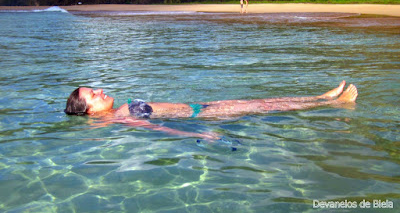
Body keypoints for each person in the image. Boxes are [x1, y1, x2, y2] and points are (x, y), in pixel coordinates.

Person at [65, 81, 358, 139]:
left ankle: (321, 97)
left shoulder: (122, 110)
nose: (100, 91)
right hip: (201, 115)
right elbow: (157, 129)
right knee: (265, 106)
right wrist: (202, 133)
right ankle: (334, 103)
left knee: (266, 100)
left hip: (202, 107)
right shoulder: (120, 118)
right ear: (88, 110)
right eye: (93, 94)